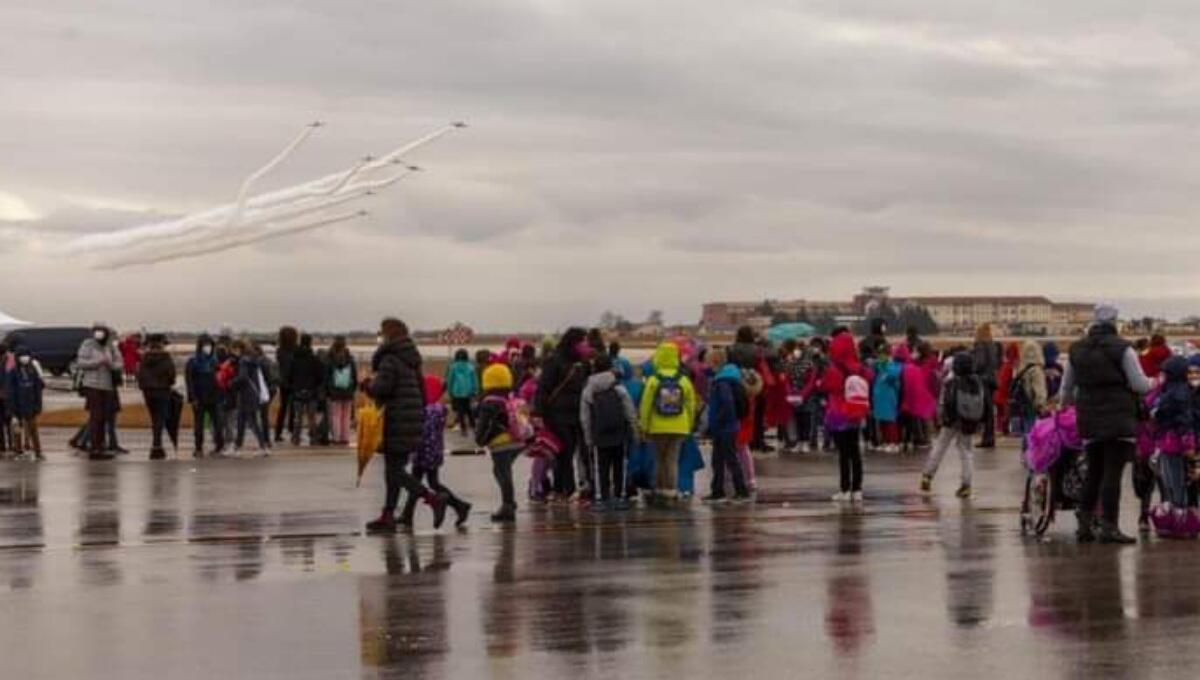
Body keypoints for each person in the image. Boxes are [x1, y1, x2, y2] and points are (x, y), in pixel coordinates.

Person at [1060, 304, 1154, 544]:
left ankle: (1084, 524)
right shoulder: (1124, 349)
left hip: (1089, 417)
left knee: (1094, 471)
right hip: (1119, 419)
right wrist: (1154, 382)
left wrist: (1071, 406)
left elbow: (1066, 390)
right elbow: (1139, 384)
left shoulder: (1076, 350)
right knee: (1112, 473)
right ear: (1115, 322)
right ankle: (1109, 526)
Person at [362, 318, 448, 534]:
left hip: (395, 421)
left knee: (395, 472)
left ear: (387, 335)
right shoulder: (412, 360)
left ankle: (432, 498)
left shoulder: (389, 360)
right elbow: (421, 391)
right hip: (412, 420)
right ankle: (388, 515)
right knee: (393, 471)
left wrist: (366, 385)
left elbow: (382, 389)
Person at [399, 375, 471, 528]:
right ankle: (407, 514)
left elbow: (423, 432)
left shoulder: (427, 410)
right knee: (426, 482)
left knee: (421, 483)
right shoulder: (437, 409)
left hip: (424, 452)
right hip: (433, 451)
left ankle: (460, 506)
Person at [534, 327, 591, 501]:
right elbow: (543, 389)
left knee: (577, 452)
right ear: (574, 343)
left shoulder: (582, 363)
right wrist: (539, 414)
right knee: (564, 453)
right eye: (583, 342)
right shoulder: (555, 361)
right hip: (557, 416)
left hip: (578, 415)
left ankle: (562, 488)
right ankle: (567, 489)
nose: (586, 345)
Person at [638, 341, 697, 503]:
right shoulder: (684, 380)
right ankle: (671, 489)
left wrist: (643, 425)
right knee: (672, 459)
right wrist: (690, 424)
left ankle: (658, 487)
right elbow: (691, 404)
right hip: (680, 426)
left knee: (658, 458)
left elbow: (646, 405)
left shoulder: (653, 380)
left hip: (657, 426)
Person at [920, 352, 982, 498]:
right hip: (968, 420)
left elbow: (942, 402)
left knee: (940, 447)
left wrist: (940, 417)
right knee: (966, 452)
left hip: (951, 420)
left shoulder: (950, 381)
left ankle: (927, 476)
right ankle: (966, 485)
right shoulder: (976, 381)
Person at [580, 354, 639, 509]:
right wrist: (634, 430)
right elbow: (629, 412)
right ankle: (620, 496)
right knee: (619, 465)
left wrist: (588, 437)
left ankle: (602, 497)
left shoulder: (589, 390)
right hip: (619, 433)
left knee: (601, 466)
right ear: (610, 368)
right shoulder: (619, 387)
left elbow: (585, 417)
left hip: (599, 434)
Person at [821, 331, 870, 502]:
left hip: (838, 414)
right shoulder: (858, 366)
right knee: (855, 451)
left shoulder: (834, 369)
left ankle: (844, 489)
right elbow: (869, 377)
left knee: (843, 453)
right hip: (855, 412)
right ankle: (857, 489)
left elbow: (826, 386)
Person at [476, 363, 526, 522]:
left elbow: (483, 425)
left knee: (504, 474)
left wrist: (480, 439)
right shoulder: (509, 398)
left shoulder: (489, 402)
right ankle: (510, 502)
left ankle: (507, 506)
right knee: (500, 471)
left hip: (501, 444)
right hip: (517, 441)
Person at [703, 349, 752, 503]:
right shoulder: (728, 379)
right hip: (727, 426)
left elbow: (726, 404)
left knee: (728, 460)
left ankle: (741, 491)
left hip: (724, 427)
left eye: (709, 362)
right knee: (718, 460)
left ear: (715, 362)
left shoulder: (722, 382)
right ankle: (717, 491)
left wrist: (717, 421)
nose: (707, 365)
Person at [1151, 356, 1195, 512]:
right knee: (1169, 474)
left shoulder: (1177, 392)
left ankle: (1179, 508)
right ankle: (1176, 505)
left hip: (1173, 439)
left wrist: (1158, 414)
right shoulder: (1172, 389)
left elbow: (1183, 418)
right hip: (1169, 438)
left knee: (1174, 476)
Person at [75, 323, 124, 461]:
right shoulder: (88, 345)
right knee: (96, 416)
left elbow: (120, 363)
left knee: (104, 417)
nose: (99, 334)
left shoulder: (111, 346)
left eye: (102, 332)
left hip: (107, 386)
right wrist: (97, 362)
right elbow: (81, 362)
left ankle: (101, 446)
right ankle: (94, 447)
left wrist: (111, 364)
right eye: (97, 332)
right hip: (92, 385)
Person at [137, 333, 177, 460]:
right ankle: (157, 445)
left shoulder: (145, 358)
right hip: (162, 391)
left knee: (154, 418)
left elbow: (140, 375)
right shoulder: (166, 358)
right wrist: (168, 383)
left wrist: (145, 387)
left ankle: (156, 445)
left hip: (148, 392)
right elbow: (171, 374)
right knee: (160, 418)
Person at [185, 334, 224, 457]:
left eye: (210, 345)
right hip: (199, 397)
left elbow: (220, 379)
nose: (208, 348)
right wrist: (192, 398)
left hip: (214, 396)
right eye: (205, 345)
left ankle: (219, 446)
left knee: (217, 422)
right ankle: (198, 448)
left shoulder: (214, 361)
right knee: (199, 424)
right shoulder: (193, 362)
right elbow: (189, 381)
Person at [230, 339, 269, 455]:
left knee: (249, 422)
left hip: (245, 394)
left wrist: (232, 382)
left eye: (234, 349)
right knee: (245, 421)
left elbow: (242, 377)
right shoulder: (253, 360)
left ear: (238, 349)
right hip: (254, 394)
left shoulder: (243, 361)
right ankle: (239, 447)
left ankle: (260, 447)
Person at [1009, 341, 1049, 450]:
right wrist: (1042, 406)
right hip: (1033, 405)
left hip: (1023, 404)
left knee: (1026, 431)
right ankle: (1032, 454)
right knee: (1033, 431)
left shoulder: (1021, 369)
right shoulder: (1036, 370)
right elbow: (1039, 390)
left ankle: (1025, 452)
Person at [287, 334, 325, 446]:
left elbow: (289, 375)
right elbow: (320, 376)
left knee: (298, 417)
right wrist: (315, 386)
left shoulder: (294, 358)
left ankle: (296, 438)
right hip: (312, 391)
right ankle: (313, 439)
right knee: (311, 417)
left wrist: (294, 386)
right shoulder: (314, 359)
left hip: (297, 390)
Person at [6, 348, 44, 460]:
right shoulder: (13, 371)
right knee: (17, 429)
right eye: (22, 356)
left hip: (31, 405)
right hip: (17, 406)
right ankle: (18, 451)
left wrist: (38, 405)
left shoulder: (33, 370)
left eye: (27, 355)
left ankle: (38, 452)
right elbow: (10, 391)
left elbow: (38, 389)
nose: (25, 358)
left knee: (33, 429)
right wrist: (12, 410)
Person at [971, 324, 1000, 449]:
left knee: (985, 410)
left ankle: (987, 438)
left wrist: (973, 368)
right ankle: (989, 437)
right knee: (989, 410)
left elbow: (980, 363)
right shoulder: (992, 345)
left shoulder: (980, 345)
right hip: (991, 379)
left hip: (982, 379)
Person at [325, 336, 358, 446]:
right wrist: (353, 388)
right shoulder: (350, 359)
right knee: (346, 415)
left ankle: (337, 437)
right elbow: (354, 375)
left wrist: (328, 390)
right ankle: (345, 437)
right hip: (348, 390)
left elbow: (327, 376)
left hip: (335, 391)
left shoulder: (330, 358)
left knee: (336, 415)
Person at [872, 344, 903, 454]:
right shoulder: (879, 366)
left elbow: (893, 376)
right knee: (882, 421)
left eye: (882, 354)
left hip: (888, 396)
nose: (880, 356)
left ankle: (893, 442)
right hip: (879, 396)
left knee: (890, 420)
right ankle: (885, 441)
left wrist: (886, 367)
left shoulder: (893, 365)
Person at [273, 326, 299, 442]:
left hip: (283, 382)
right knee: (294, 407)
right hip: (294, 381)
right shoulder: (296, 351)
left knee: (283, 408)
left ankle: (278, 433)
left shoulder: (280, 351)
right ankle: (292, 430)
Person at [445, 349, 479, 436]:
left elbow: (450, 380)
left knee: (460, 411)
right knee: (469, 410)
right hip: (468, 391)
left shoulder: (453, 367)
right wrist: (475, 390)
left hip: (457, 392)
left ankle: (463, 429)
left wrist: (450, 391)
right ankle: (474, 427)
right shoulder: (471, 367)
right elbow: (474, 380)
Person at [0, 343, 11, 454]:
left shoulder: (9, 361)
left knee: (9, 421)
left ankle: (11, 445)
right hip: (3, 397)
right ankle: (2, 445)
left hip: (8, 397)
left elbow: (9, 378)